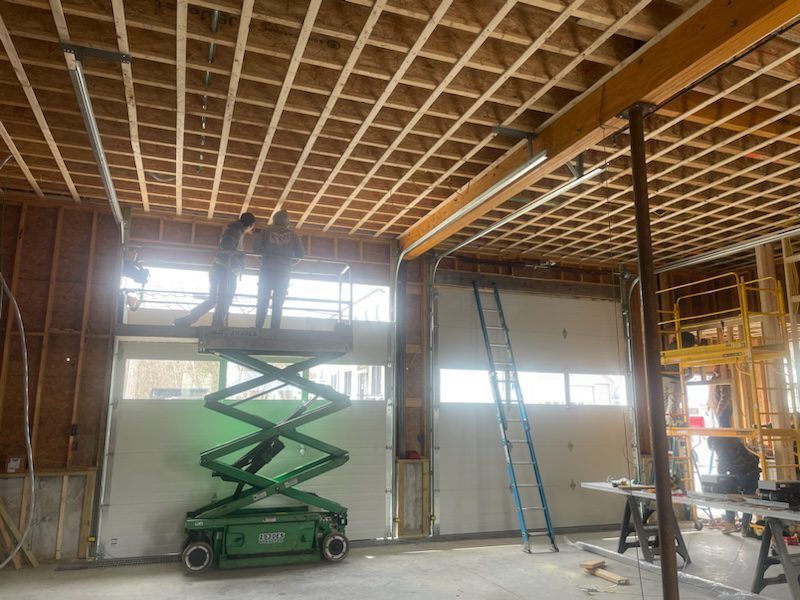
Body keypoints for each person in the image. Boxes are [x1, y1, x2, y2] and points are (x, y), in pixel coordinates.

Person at [174, 212, 256, 328]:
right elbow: (227, 247)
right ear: (251, 225)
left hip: (218, 268)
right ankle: (217, 327)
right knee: (224, 300)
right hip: (226, 271)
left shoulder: (235, 231)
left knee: (213, 300)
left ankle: (186, 320)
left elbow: (227, 247)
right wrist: (238, 260)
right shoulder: (236, 232)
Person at [253, 209, 304, 329]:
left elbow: (255, 248)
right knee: (278, 302)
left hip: (267, 270)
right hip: (283, 272)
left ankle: (258, 327)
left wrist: (263, 259)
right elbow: (300, 254)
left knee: (262, 300)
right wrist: (289, 263)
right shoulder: (293, 236)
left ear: (274, 219)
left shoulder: (265, 232)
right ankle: (275, 329)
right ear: (287, 222)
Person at [708, 436, 760, 536]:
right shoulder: (733, 441)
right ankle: (745, 528)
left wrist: (722, 469)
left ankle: (730, 523)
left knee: (730, 495)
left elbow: (721, 468)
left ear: (712, 444)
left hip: (744, 473)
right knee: (748, 500)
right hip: (752, 472)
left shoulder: (720, 445)